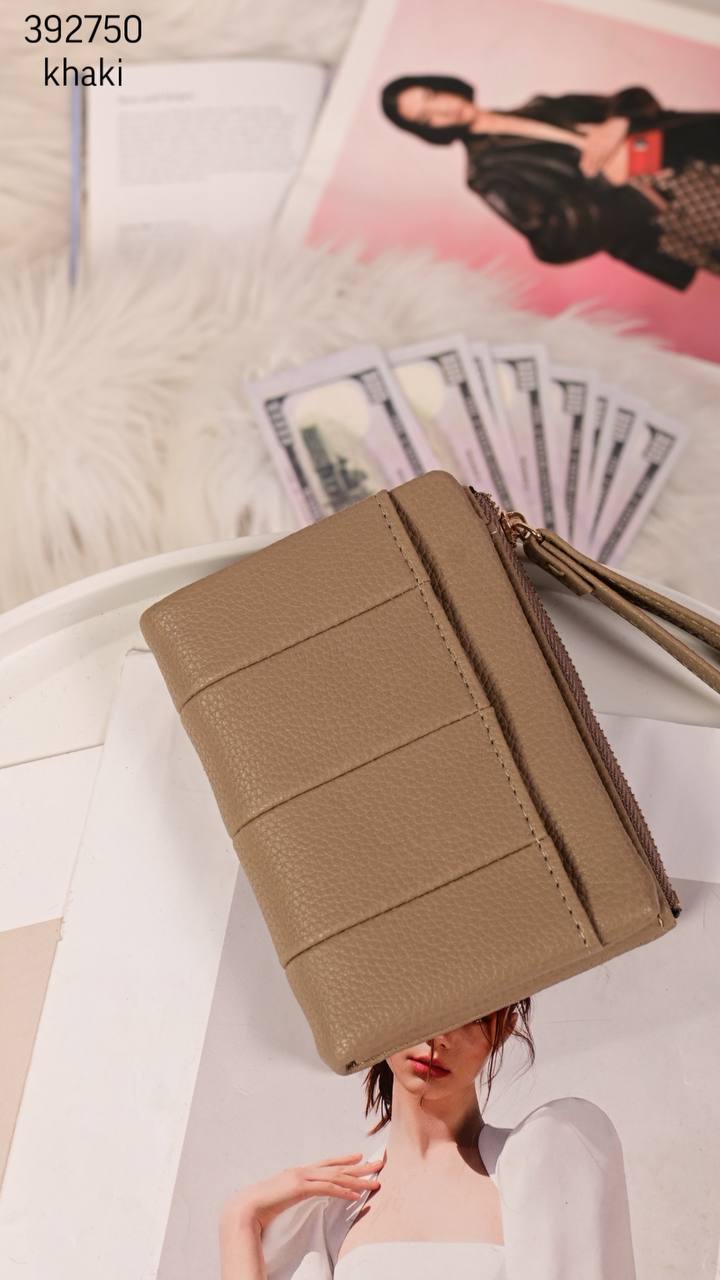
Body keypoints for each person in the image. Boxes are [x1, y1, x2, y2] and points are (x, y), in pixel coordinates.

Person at [217, 999, 638, 1278]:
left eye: (473, 1014)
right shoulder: (330, 1213)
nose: (441, 1038)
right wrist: (240, 1219)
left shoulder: (538, 1170)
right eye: (419, 1002)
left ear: (505, 1026)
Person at [380, 73, 720, 289]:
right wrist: (611, 182)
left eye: (432, 96)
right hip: (671, 210)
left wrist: (617, 123)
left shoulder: (541, 106)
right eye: (427, 117)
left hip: (692, 158)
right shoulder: (488, 174)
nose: (443, 111)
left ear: (443, 86)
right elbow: (554, 240)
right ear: (428, 130)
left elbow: (631, 98)